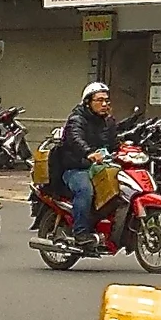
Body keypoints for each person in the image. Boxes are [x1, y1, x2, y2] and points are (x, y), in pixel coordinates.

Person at [52, 82, 116, 247]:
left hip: (100, 166)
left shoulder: (108, 121)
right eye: (99, 100)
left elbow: (114, 142)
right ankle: (80, 233)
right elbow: (75, 138)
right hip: (76, 167)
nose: (104, 104)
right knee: (85, 190)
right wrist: (88, 153)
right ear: (88, 102)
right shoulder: (76, 119)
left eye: (106, 100)